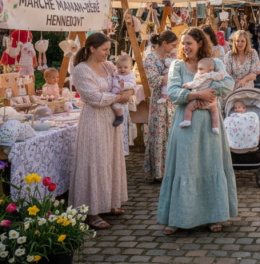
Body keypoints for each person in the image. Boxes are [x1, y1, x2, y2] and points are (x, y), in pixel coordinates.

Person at [157, 27, 236, 235]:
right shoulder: (177, 65)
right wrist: (196, 93)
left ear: (200, 43)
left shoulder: (215, 63)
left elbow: (228, 84)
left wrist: (209, 91)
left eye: (189, 43)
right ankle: (177, 217)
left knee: (209, 164)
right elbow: (173, 92)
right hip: (186, 123)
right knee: (185, 166)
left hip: (210, 124)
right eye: (183, 43)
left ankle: (213, 215)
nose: (185, 47)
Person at [69, 32, 132, 229]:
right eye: (104, 50)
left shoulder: (108, 66)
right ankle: (91, 211)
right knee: (94, 162)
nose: (107, 53)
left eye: (108, 50)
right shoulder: (81, 70)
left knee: (109, 159)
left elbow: (128, 80)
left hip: (110, 118)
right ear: (92, 48)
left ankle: (107, 202)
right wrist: (118, 97)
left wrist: (127, 92)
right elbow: (93, 98)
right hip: (94, 119)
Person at [143, 31, 178, 181]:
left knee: (172, 135)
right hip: (159, 102)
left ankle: (172, 171)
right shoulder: (151, 58)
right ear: (164, 43)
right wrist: (175, 76)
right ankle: (159, 173)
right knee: (159, 135)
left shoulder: (171, 58)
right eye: (173, 44)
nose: (175, 47)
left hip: (173, 102)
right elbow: (154, 80)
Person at [179, 57, 225, 133]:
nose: (198, 71)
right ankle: (215, 127)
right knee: (214, 112)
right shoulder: (212, 75)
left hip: (199, 100)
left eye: (200, 69)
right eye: (198, 69)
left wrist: (187, 85)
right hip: (211, 101)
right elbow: (221, 76)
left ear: (209, 70)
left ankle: (187, 120)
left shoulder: (202, 76)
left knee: (188, 108)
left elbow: (195, 84)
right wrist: (220, 71)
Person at [110, 54, 137, 127]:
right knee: (113, 105)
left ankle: (119, 117)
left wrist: (124, 85)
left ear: (131, 68)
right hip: (114, 92)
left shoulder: (131, 75)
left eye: (125, 67)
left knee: (117, 106)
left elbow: (132, 84)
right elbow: (113, 75)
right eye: (120, 67)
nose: (122, 69)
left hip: (122, 94)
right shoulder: (116, 73)